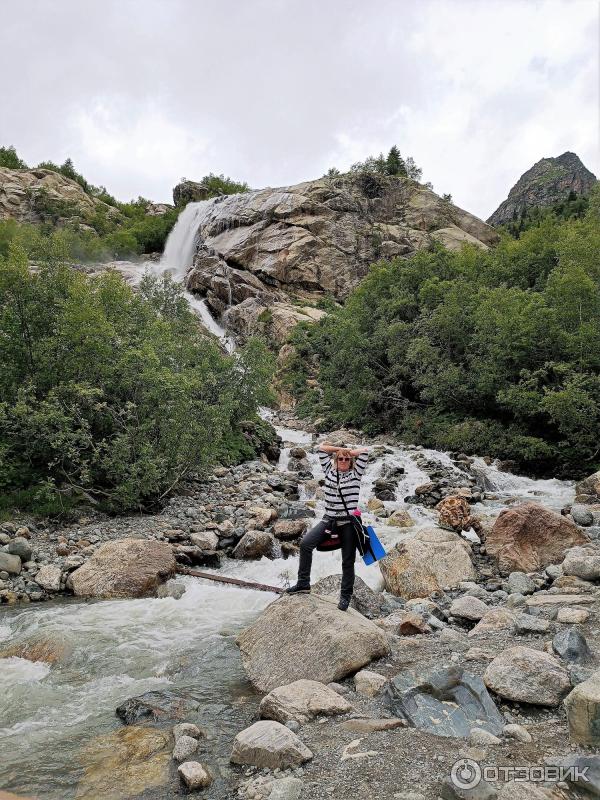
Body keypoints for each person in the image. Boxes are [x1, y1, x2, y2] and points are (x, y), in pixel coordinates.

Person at [286, 442, 369, 610]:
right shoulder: (329, 471)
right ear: (335, 460)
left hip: (348, 524)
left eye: (347, 459)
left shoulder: (355, 475)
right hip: (328, 520)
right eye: (340, 458)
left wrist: (349, 452)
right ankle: (303, 583)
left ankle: (345, 597)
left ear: (351, 461)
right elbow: (321, 448)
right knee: (305, 544)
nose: (344, 461)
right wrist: (339, 450)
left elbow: (365, 452)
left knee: (347, 561)